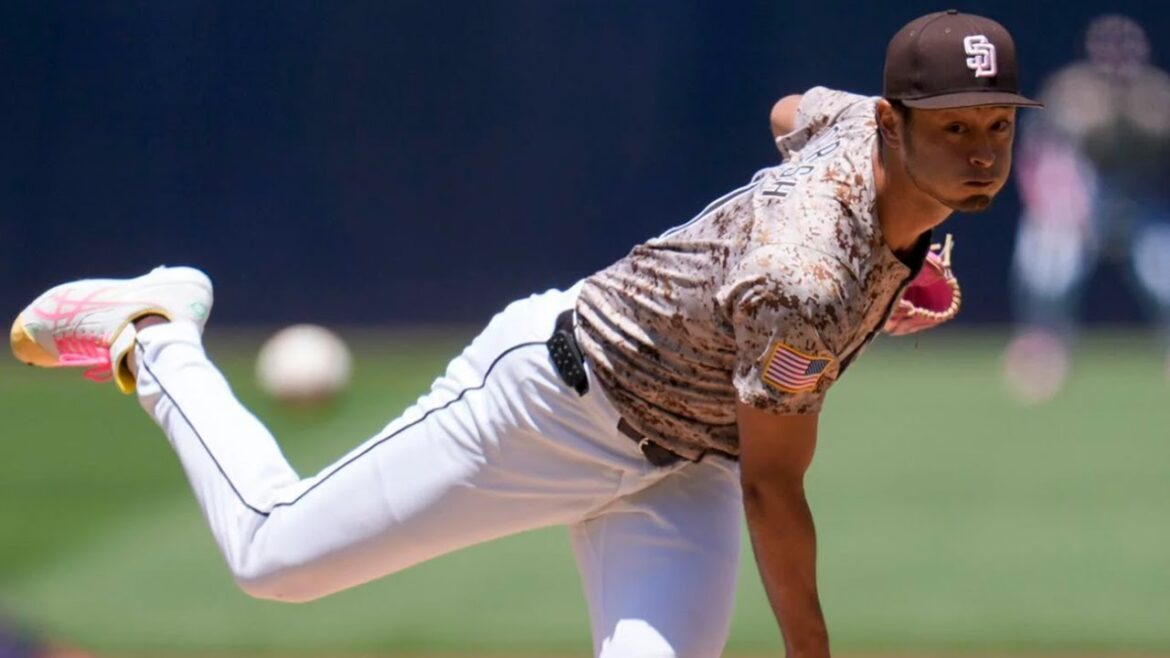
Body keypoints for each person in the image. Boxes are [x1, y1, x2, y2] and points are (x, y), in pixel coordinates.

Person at [10, 10, 1038, 658]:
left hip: (688, 462)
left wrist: (912, 249)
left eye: (995, 123)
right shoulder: (806, 277)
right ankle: (154, 332)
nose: (981, 149)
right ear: (897, 125)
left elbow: (786, 111)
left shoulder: (856, 124)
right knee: (274, 558)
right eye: (953, 126)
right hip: (552, 406)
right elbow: (777, 483)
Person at [1003, 14, 1170, 403]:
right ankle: (1043, 352)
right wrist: (1057, 203)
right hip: (1075, 199)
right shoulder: (1070, 92)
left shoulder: (1156, 96)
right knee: (1048, 268)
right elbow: (1039, 153)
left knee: (1163, 272)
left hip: (1136, 201)